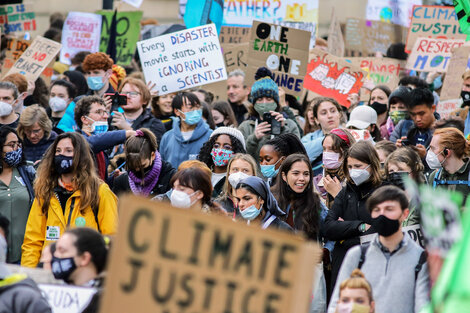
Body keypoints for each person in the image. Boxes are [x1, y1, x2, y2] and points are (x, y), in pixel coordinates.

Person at [21, 132, 118, 267]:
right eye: (58, 151)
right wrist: (29, 275)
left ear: (80, 155)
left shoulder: (100, 191)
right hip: (51, 273)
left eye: (68, 151)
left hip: (85, 272)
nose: (62, 155)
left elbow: (111, 237)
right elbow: (32, 241)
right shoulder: (45, 191)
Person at [328, 186, 430, 313]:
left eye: (389, 209)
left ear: (405, 214)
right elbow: (336, 304)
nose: (382, 215)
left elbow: (423, 307)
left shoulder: (420, 259)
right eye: (377, 210)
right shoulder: (357, 256)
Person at [323, 140, 386, 290]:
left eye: (358, 166)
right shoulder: (346, 191)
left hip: (372, 263)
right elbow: (328, 227)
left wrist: (344, 233)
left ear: (372, 165)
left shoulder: (384, 190)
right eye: (350, 167)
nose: (353, 171)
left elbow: (378, 230)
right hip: (344, 264)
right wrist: (359, 226)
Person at [271, 153, 328, 311]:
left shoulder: (316, 204)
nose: (301, 178)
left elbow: (330, 230)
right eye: (296, 173)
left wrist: (325, 251)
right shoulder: (270, 201)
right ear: (284, 176)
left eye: (306, 174)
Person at [238, 76, 300, 160]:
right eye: (259, 99)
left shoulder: (289, 125)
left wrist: (283, 130)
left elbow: (296, 155)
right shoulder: (245, 127)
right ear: (254, 103)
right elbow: (240, 157)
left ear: (276, 102)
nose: (264, 103)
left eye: (269, 99)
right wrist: (254, 139)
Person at [74, 95, 135, 181]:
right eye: (99, 112)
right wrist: (126, 133)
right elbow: (91, 143)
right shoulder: (75, 140)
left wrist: (114, 179)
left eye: (105, 112)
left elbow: (100, 183)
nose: (106, 116)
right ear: (84, 119)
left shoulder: (102, 150)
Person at [0, 127, 35, 263]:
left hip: (25, 252)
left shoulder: (28, 173)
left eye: (18, 144)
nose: (16, 149)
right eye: (11, 145)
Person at [52, 228, 107, 313]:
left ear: (84, 258)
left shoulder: (106, 302)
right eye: (56, 250)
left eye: (62, 250)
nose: (55, 255)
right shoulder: (51, 294)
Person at [112, 128, 176, 198]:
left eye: (142, 166)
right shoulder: (121, 181)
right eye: (133, 166)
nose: (137, 170)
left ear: (152, 155)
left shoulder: (170, 177)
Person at [159, 92, 212, 168]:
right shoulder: (167, 137)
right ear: (177, 111)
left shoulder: (210, 136)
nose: (195, 111)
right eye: (190, 107)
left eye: (198, 107)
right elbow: (162, 166)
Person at [392, 88, 438, 165]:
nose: (418, 119)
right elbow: (389, 158)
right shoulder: (402, 127)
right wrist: (397, 151)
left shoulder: (444, 130)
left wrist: (426, 157)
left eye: (422, 113)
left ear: (432, 108)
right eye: (413, 114)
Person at [113, 77, 165, 144]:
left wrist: (127, 129)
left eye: (133, 93)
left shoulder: (154, 124)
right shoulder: (112, 119)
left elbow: (151, 150)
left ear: (145, 100)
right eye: (124, 93)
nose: (127, 96)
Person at [197, 127, 246, 197]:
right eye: (216, 146)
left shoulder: (237, 179)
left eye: (227, 147)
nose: (220, 150)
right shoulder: (201, 172)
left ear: (237, 151)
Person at [427, 127, 470, 202]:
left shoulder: (468, 176)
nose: (429, 152)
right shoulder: (435, 177)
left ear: (447, 152)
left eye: (433, 148)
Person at [319, 128, 356, 209]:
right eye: (324, 149)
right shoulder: (320, 179)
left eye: (332, 149)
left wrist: (337, 193)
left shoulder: (354, 179)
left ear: (345, 151)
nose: (326, 153)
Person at [301, 97, 343, 167]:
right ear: (316, 119)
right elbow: (303, 156)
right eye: (324, 113)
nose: (329, 116)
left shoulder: (352, 135)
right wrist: (331, 137)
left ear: (340, 114)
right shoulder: (308, 138)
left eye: (333, 111)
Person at [216, 153, 258, 217]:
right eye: (235, 169)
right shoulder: (218, 204)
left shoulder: (258, 206)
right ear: (229, 173)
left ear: (253, 175)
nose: (239, 174)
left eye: (245, 170)